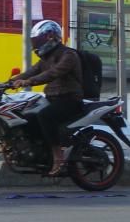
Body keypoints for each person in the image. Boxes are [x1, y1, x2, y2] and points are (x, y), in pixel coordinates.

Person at [11, 20, 83, 176]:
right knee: (28, 118)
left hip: (70, 99)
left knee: (45, 116)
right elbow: (30, 72)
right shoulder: (45, 59)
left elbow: (53, 73)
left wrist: (28, 82)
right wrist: (8, 82)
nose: (37, 45)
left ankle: (59, 157)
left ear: (51, 37)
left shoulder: (68, 55)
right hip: (53, 99)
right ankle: (42, 152)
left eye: (39, 40)